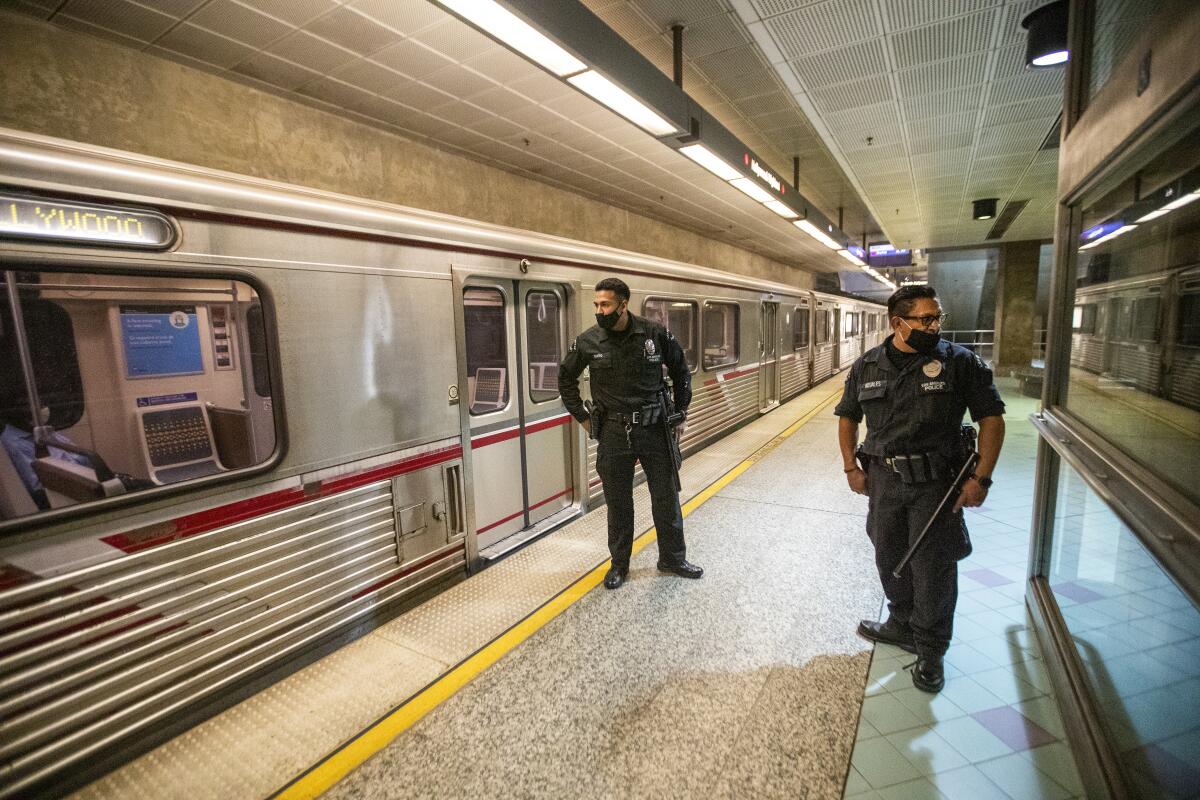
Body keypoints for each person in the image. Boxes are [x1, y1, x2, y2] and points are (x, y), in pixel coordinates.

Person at [834, 285, 1005, 692]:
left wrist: (980, 478)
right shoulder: (868, 365)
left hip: (937, 484)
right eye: (926, 319)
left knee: (933, 567)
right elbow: (847, 417)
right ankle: (901, 623)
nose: (934, 326)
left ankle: (930, 650)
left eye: (937, 318)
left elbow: (992, 420)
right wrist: (850, 468)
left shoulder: (960, 363)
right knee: (888, 553)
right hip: (884, 480)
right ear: (898, 324)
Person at [559, 277, 703, 590]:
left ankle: (673, 559)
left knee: (666, 497)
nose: (600, 310)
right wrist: (583, 418)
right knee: (619, 502)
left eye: (606, 304)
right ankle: (619, 565)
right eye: (596, 304)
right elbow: (565, 380)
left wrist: (681, 412)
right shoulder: (588, 341)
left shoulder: (654, 334)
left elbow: (681, 371)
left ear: (623, 305)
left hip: (655, 428)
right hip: (612, 432)